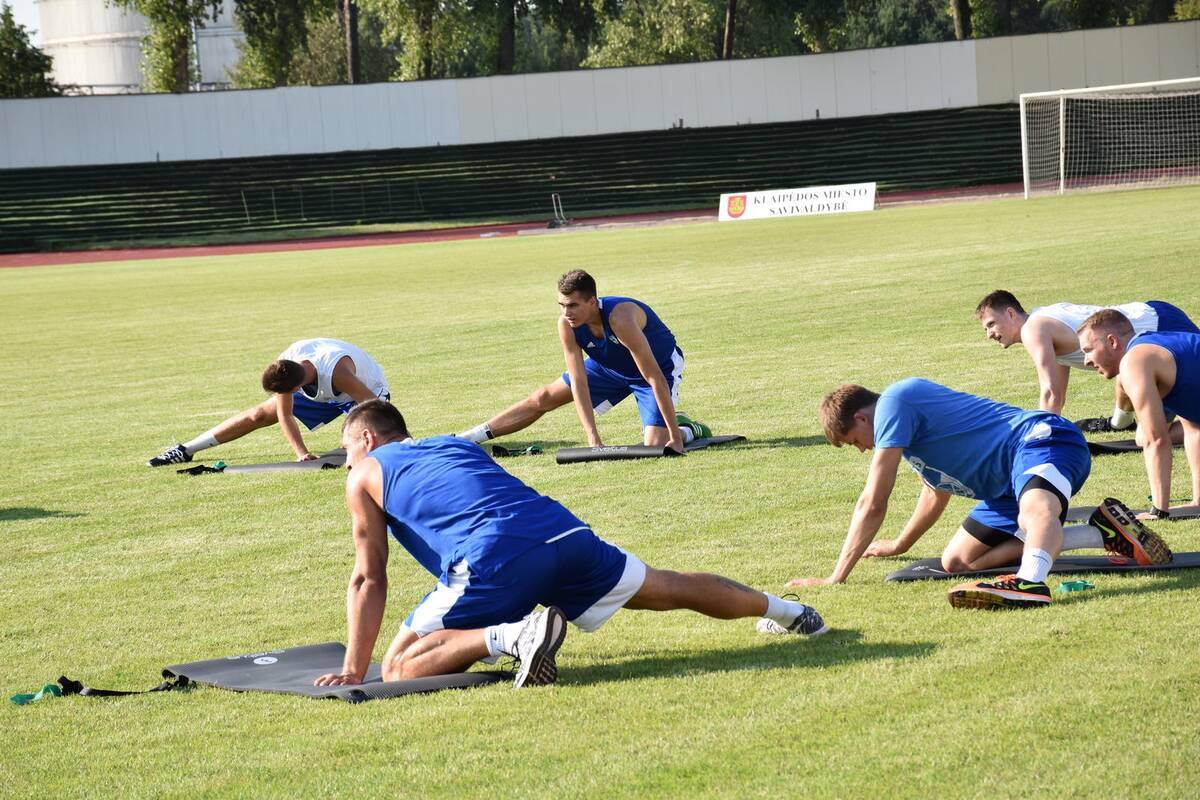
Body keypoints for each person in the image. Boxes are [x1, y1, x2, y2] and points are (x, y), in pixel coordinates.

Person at [314, 399, 826, 690]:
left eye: (346, 448)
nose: (346, 460)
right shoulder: (450, 444)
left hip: (496, 553)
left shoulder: (364, 474)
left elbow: (368, 577)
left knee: (400, 668)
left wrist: (355, 669)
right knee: (668, 587)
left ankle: (517, 637)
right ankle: (792, 613)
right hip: (563, 531)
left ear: (367, 440)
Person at [789, 379, 1172, 609]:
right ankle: (1099, 532)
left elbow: (872, 501)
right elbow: (934, 493)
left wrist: (836, 577)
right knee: (958, 561)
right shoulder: (907, 439)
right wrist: (900, 544)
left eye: (854, 441)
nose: (862, 449)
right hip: (1004, 487)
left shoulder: (895, 402)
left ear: (860, 417)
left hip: (1040, 441)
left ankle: (1030, 582)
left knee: (1034, 511)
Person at [458, 270, 710, 453]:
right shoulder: (567, 325)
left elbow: (654, 377)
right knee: (543, 397)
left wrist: (675, 437)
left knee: (656, 444)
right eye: (561, 305)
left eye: (572, 305)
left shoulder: (620, 318)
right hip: (609, 368)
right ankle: (467, 438)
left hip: (656, 369)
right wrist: (592, 437)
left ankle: (687, 427)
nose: (566, 313)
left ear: (592, 302)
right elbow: (579, 383)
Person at [974, 290, 1198, 429]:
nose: (989, 334)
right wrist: (1050, 429)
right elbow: (1057, 395)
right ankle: (1119, 424)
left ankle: (1123, 424)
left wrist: (1041, 438)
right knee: (1129, 384)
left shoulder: (1033, 330)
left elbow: (1050, 392)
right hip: (1159, 319)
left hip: (1163, 327)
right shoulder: (1042, 324)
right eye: (985, 329)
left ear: (1011, 313)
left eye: (992, 324)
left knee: (1160, 432)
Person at [147, 338, 390, 466]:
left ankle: (404, 445)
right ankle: (185, 450)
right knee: (260, 414)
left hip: (365, 393)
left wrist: (353, 438)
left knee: (362, 444)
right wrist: (302, 453)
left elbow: (375, 407)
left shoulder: (338, 373)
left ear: (296, 388)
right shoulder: (287, 364)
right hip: (320, 384)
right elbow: (285, 414)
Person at [1079, 309, 1200, 519]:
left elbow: (1157, 440)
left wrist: (1159, 511)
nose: (1086, 360)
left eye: (1088, 350)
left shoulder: (1134, 361)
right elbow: (1194, 429)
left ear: (1112, 341)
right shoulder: (1157, 348)